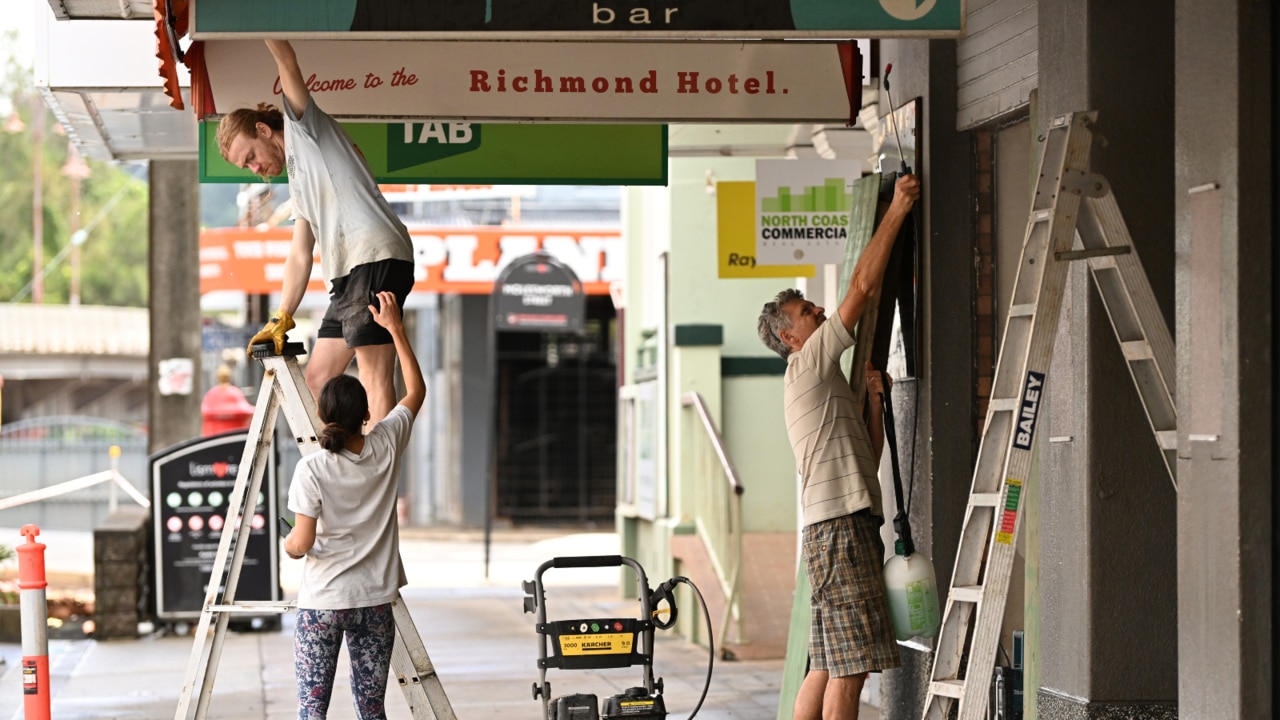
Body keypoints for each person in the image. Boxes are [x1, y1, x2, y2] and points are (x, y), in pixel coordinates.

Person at [756, 173, 920, 720]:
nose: (821, 313)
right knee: (849, 671)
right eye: (808, 313)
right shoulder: (808, 365)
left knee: (827, 662)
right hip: (841, 532)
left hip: (837, 527)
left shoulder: (826, 387)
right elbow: (862, 290)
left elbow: (865, 464)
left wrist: (873, 404)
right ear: (789, 336)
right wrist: (896, 208)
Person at [216, 39, 415, 425]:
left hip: (374, 256)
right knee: (317, 378)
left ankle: (378, 478)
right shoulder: (299, 181)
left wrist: (258, 21)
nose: (254, 168)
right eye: (246, 167)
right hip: (348, 274)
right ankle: (339, 469)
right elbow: (299, 253)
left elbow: (286, 60)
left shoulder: (304, 130)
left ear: (263, 129)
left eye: (251, 156)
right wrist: (281, 317)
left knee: (374, 375)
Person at [282, 290, 424, 720]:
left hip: (324, 603)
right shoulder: (387, 444)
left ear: (324, 417)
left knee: (313, 711)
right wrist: (395, 330)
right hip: (374, 603)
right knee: (372, 709)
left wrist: (287, 541)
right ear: (366, 414)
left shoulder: (313, 470)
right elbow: (414, 390)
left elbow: (301, 545)